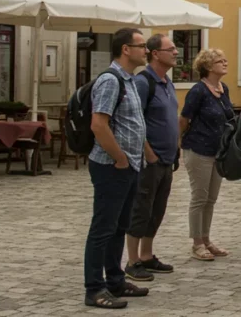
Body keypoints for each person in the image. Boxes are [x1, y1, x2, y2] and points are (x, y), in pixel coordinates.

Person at [83, 28, 150, 309]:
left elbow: (131, 123)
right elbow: (99, 124)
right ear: (126, 49)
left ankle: (114, 280)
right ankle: (94, 288)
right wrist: (120, 158)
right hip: (112, 166)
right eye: (142, 45)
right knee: (103, 228)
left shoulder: (130, 80)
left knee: (119, 227)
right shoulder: (111, 80)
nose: (146, 50)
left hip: (130, 165)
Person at [125, 34, 180, 282]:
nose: (176, 52)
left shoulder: (167, 82)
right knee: (141, 208)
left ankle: (147, 255)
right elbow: (135, 121)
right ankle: (132, 260)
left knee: (157, 209)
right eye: (171, 49)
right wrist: (148, 152)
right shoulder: (143, 82)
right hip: (149, 159)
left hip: (166, 158)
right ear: (155, 53)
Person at [179, 48, 233, 261]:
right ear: (208, 66)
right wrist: (179, 141)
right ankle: (197, 243)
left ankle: (207, 238)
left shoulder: (223, 88)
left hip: (218, 151)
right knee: (199, 197)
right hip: (198, 149)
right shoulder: (198, 91)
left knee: (211, 198)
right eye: (220, 61)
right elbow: (184, 118)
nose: (225, 63)